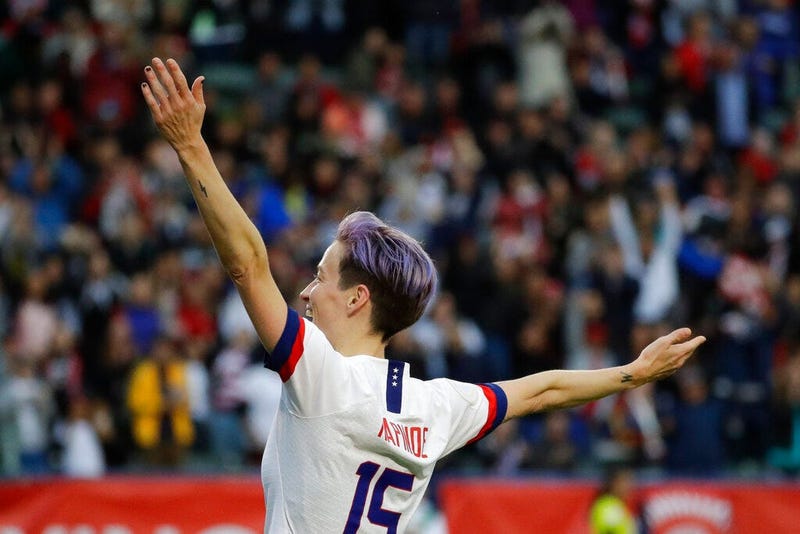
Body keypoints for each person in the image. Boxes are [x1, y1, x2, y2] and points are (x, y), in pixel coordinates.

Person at [140, 57, 706, 533]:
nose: (307, 293)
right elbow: (542, 391)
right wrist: (631, 373)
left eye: (320, 275)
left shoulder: (320, 376)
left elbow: (247, 266)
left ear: (358, 298)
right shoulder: (433, 407)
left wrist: (191, 147)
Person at [589, 466, 638, 534]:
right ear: (614, 483)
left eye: (630, 482)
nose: (629, 486)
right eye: (625, 482)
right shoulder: (607, 506)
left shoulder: (618, 505)